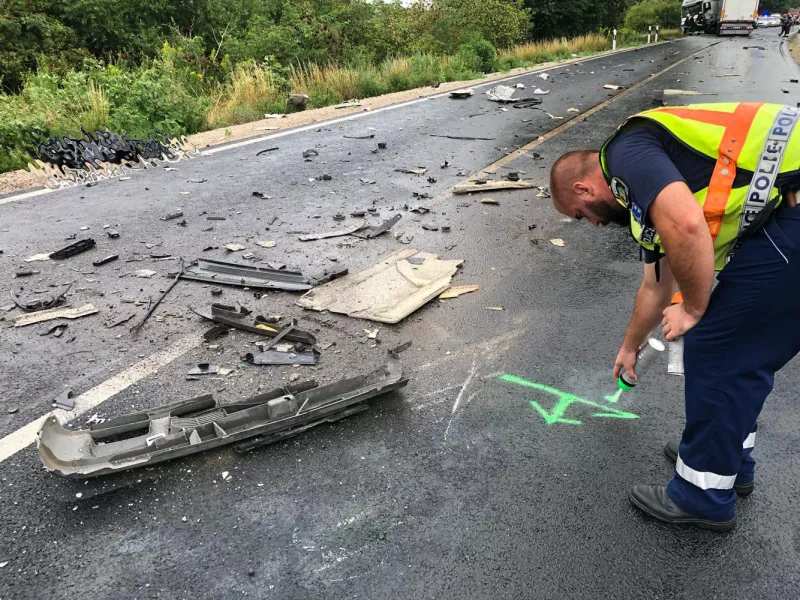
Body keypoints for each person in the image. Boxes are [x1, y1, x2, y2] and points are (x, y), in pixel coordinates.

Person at [549, 102, 800, 532]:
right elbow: (656, 286)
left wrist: (695, 308)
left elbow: (686, 227)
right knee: (738, 352)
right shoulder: (643, 198)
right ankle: (725, 460)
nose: (589, 224)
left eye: (579, 215)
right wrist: (630, 348)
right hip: (787, 217)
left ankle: (702, 495)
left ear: (583, 189)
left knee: (717, 351)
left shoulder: (626, 152)